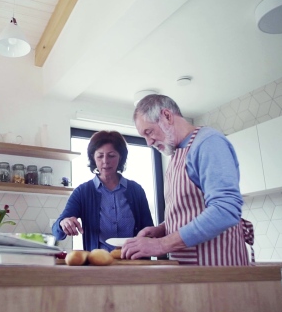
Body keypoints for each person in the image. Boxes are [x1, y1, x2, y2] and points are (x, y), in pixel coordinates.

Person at [122, 94, 253, 266]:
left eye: (149, 132)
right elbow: (191, 210)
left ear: (167, 116)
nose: (148, 142)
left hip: (218, 272)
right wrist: (162, 229)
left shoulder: (208, 142)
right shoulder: (176, 155)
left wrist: (161, 245)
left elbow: (226, 209)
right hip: (191, 273)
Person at [52, 130, 154, 251]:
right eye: (100, 156)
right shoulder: (83, 192)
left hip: (135, 262)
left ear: (120, 157)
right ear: (93, 158)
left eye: (111, 155)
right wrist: (63, 223)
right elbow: (56, 231)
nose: (105, 161)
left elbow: (149, 231)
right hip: (98, 263)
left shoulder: (136, 190)